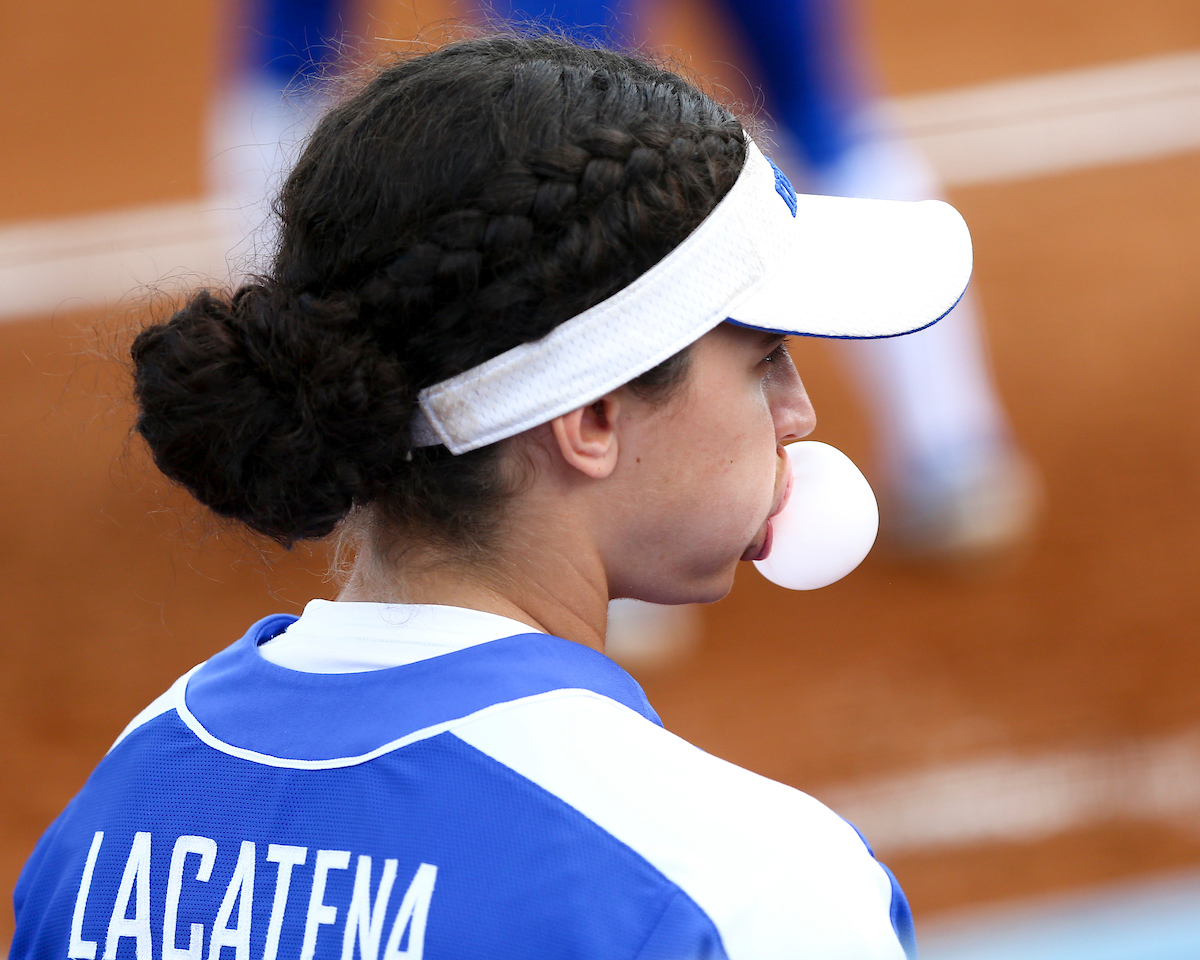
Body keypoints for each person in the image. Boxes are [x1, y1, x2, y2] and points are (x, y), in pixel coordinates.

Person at [12, 36, 972, 957]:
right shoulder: (740, 893)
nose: (798, 414)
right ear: (590, 416)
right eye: (764, 360)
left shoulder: (108, 828)